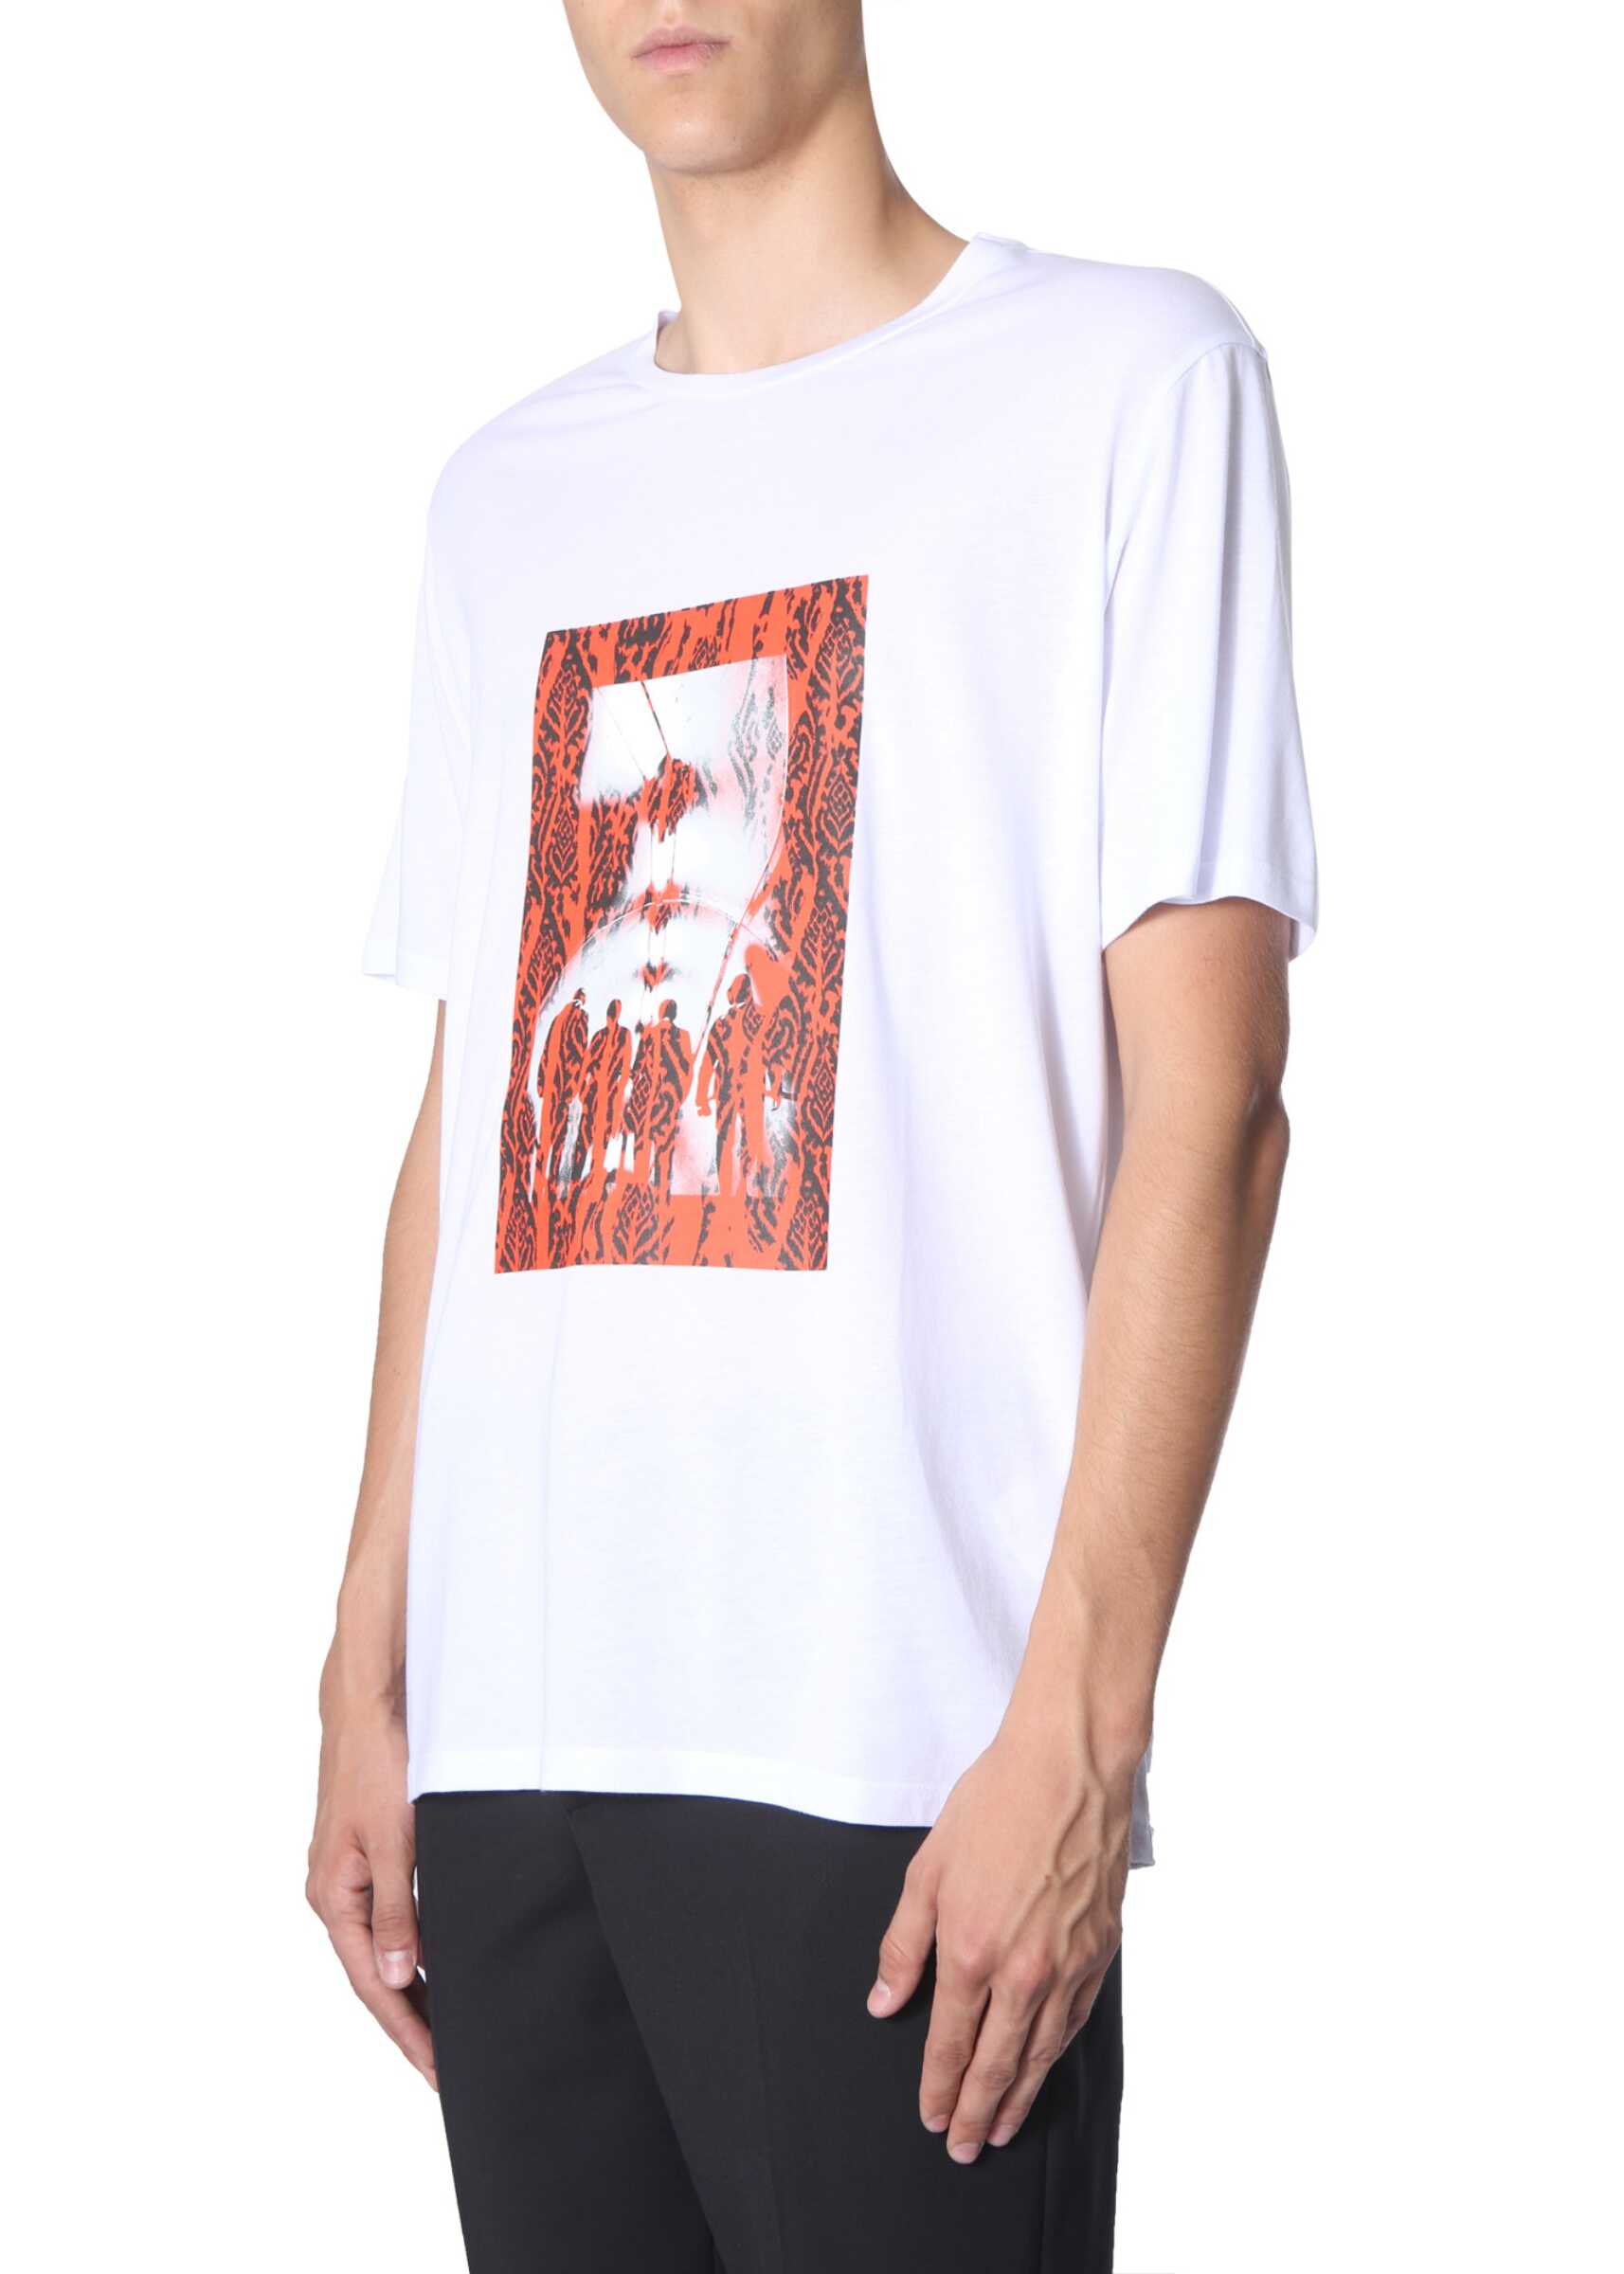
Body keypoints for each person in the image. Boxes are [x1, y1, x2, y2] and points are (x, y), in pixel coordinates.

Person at [308, 3, 1318, 2267]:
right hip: (517, 1753)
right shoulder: (503, 495)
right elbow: (471, 1120)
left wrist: (1079, 1727)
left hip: (899, 1750)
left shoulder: (1124, 384)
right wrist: (367, 1666)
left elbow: (1215, 1106)